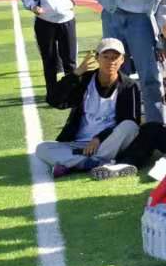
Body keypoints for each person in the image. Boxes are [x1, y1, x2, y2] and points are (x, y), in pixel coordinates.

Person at [36, 39, 142, 179]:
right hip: (78, 144)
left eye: (115, 57)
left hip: (108, 143)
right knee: (42, 148)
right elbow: (54, 100)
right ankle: (95, 163)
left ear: (122, 60)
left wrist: (99, 138)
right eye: (106, 56)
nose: (110, 61)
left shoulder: (129, 86)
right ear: (97, 57)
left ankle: (75, 163)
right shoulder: (85, 80)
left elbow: (129, 120)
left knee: (130, 126)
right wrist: (75, 74)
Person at [22, 0, 84, 106]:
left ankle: (72, 95)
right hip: (45, 21)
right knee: (49, 61)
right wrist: (32, 6)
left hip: (66, 19)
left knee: (70, 61)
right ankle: (52, 95)